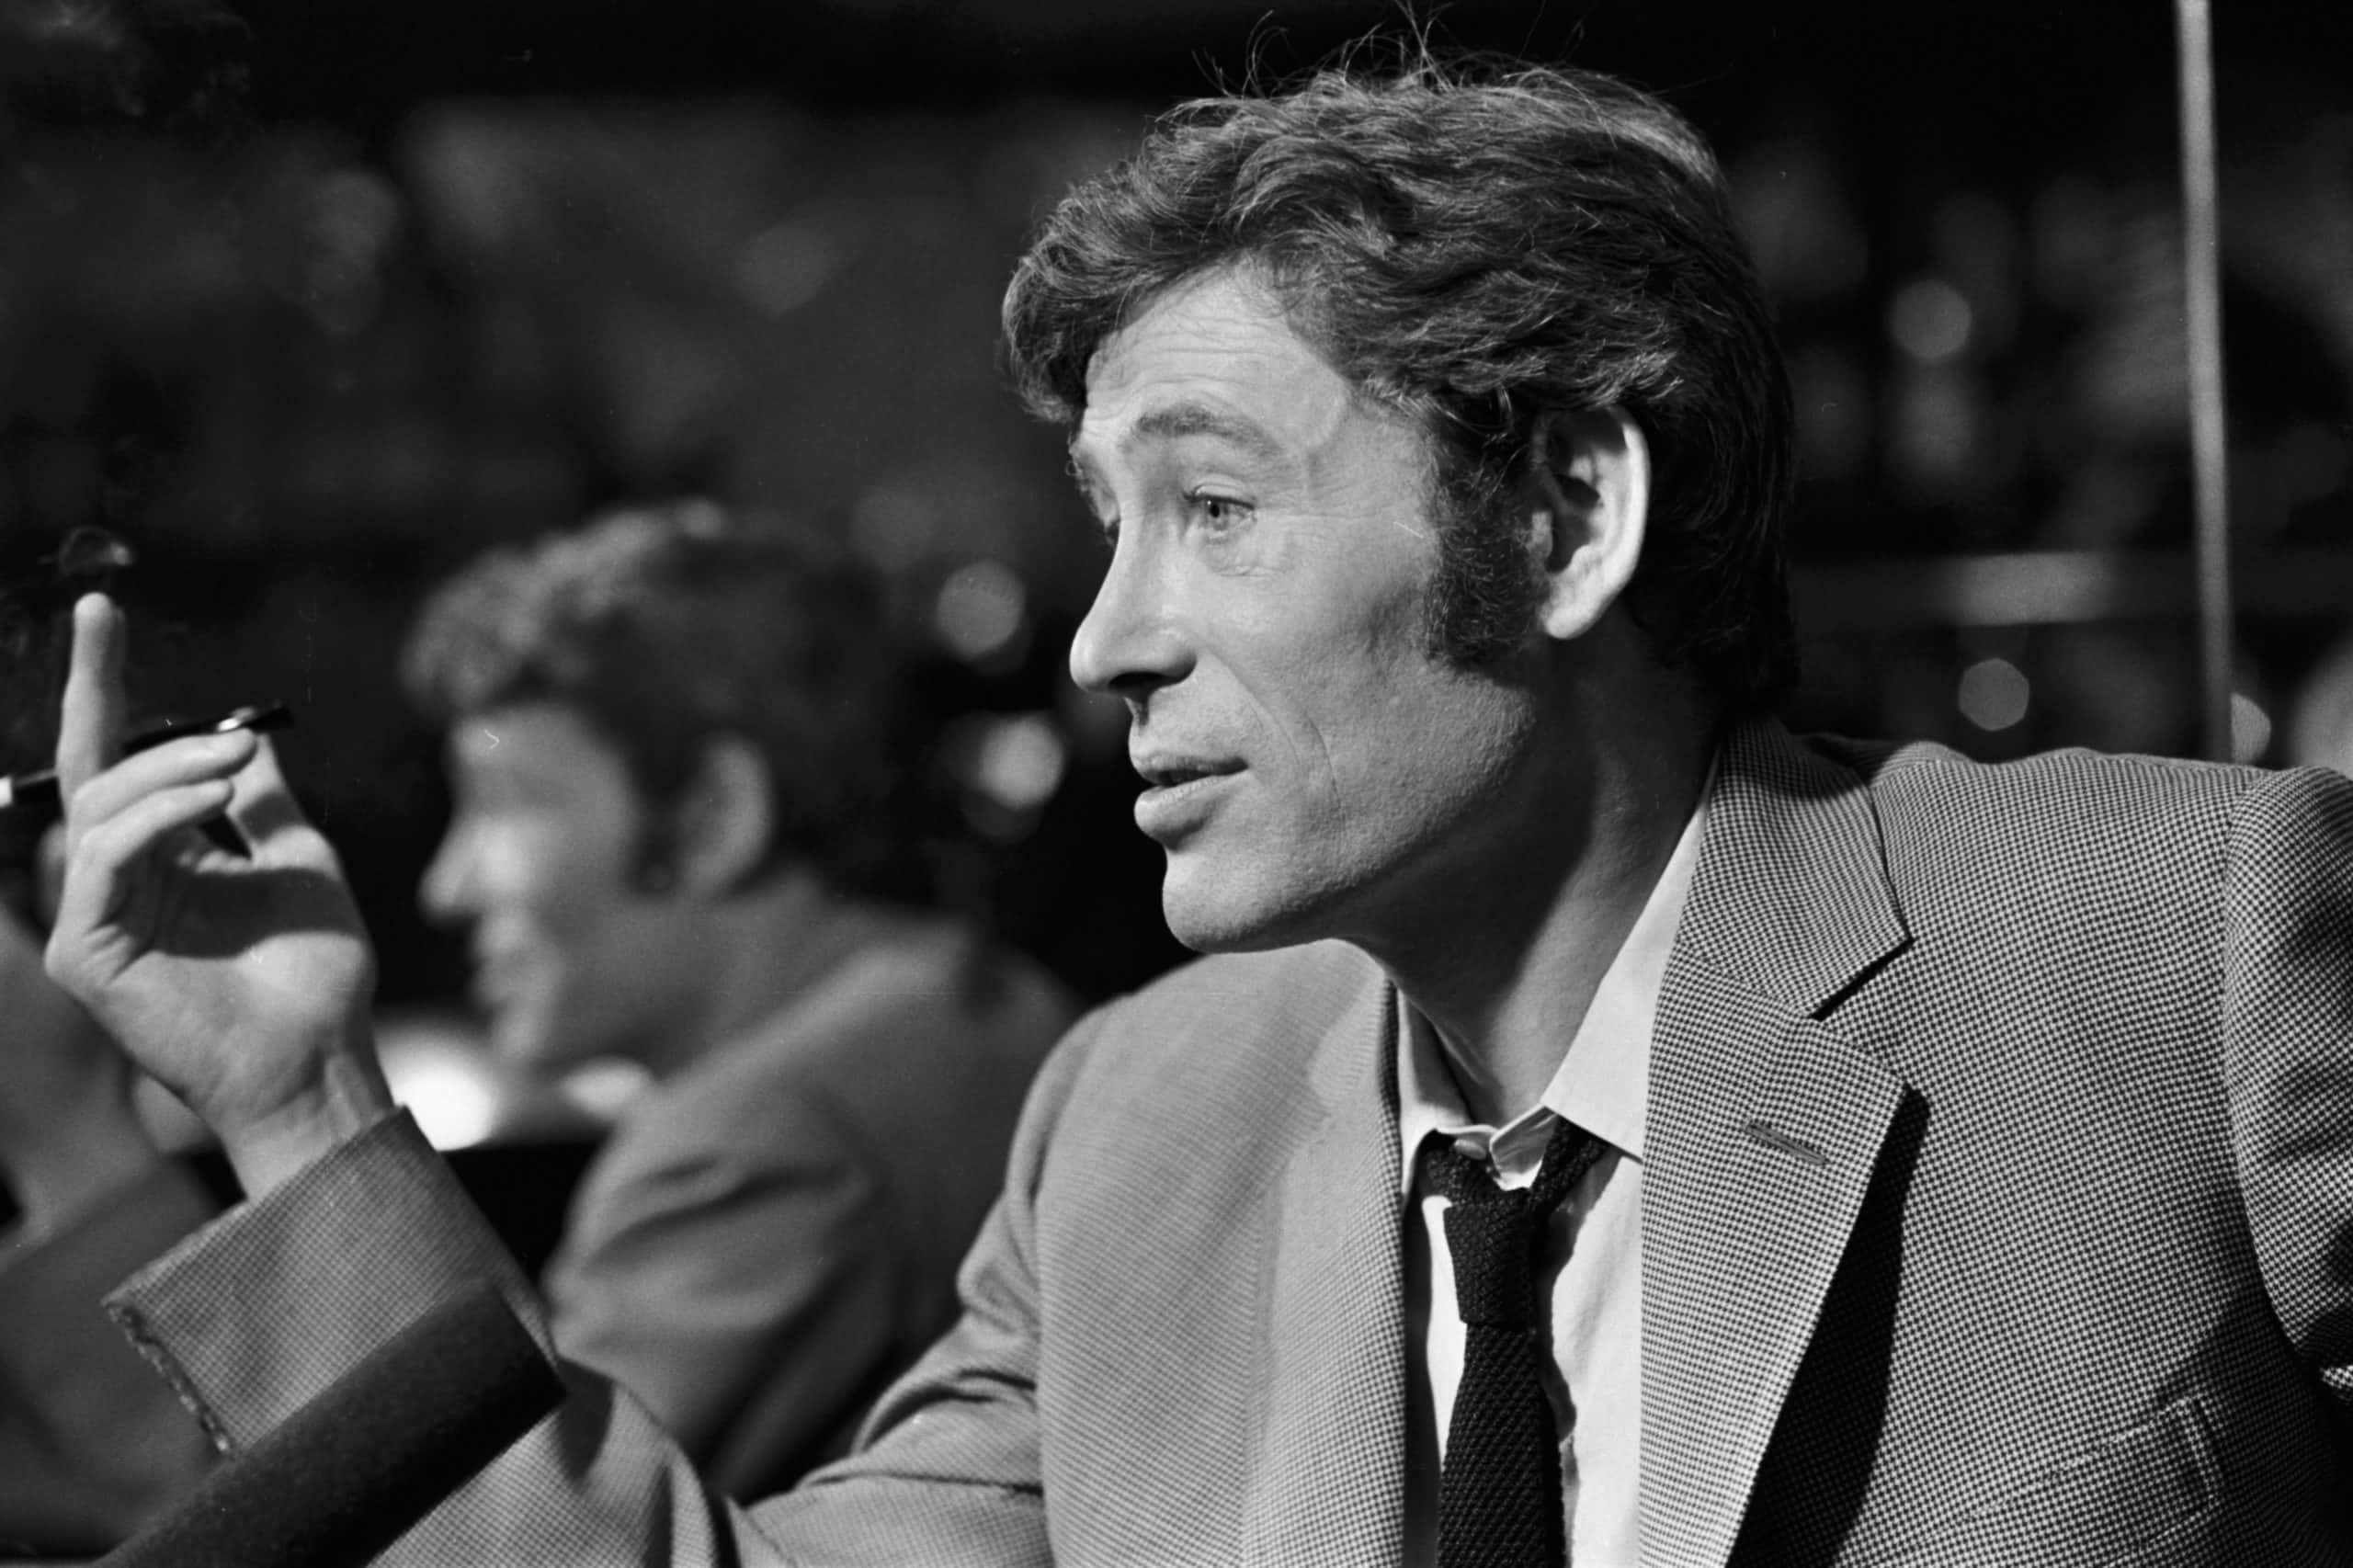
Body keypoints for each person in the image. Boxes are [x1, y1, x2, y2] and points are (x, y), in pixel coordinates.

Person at [26, 53, 2353, 1567]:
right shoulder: (1137, 1119)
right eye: (1105, 527)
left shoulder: (2171, 936)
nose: (1100, 639)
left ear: (1565, 517)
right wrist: (295, 1097)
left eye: (1212, 507)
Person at [0, 502, 1075, 1537]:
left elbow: (416, 1529)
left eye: (504, 800)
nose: (447, 884)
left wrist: (67, 1123)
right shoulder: (972, 1003)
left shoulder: (765, 1141)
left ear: (713, 814)